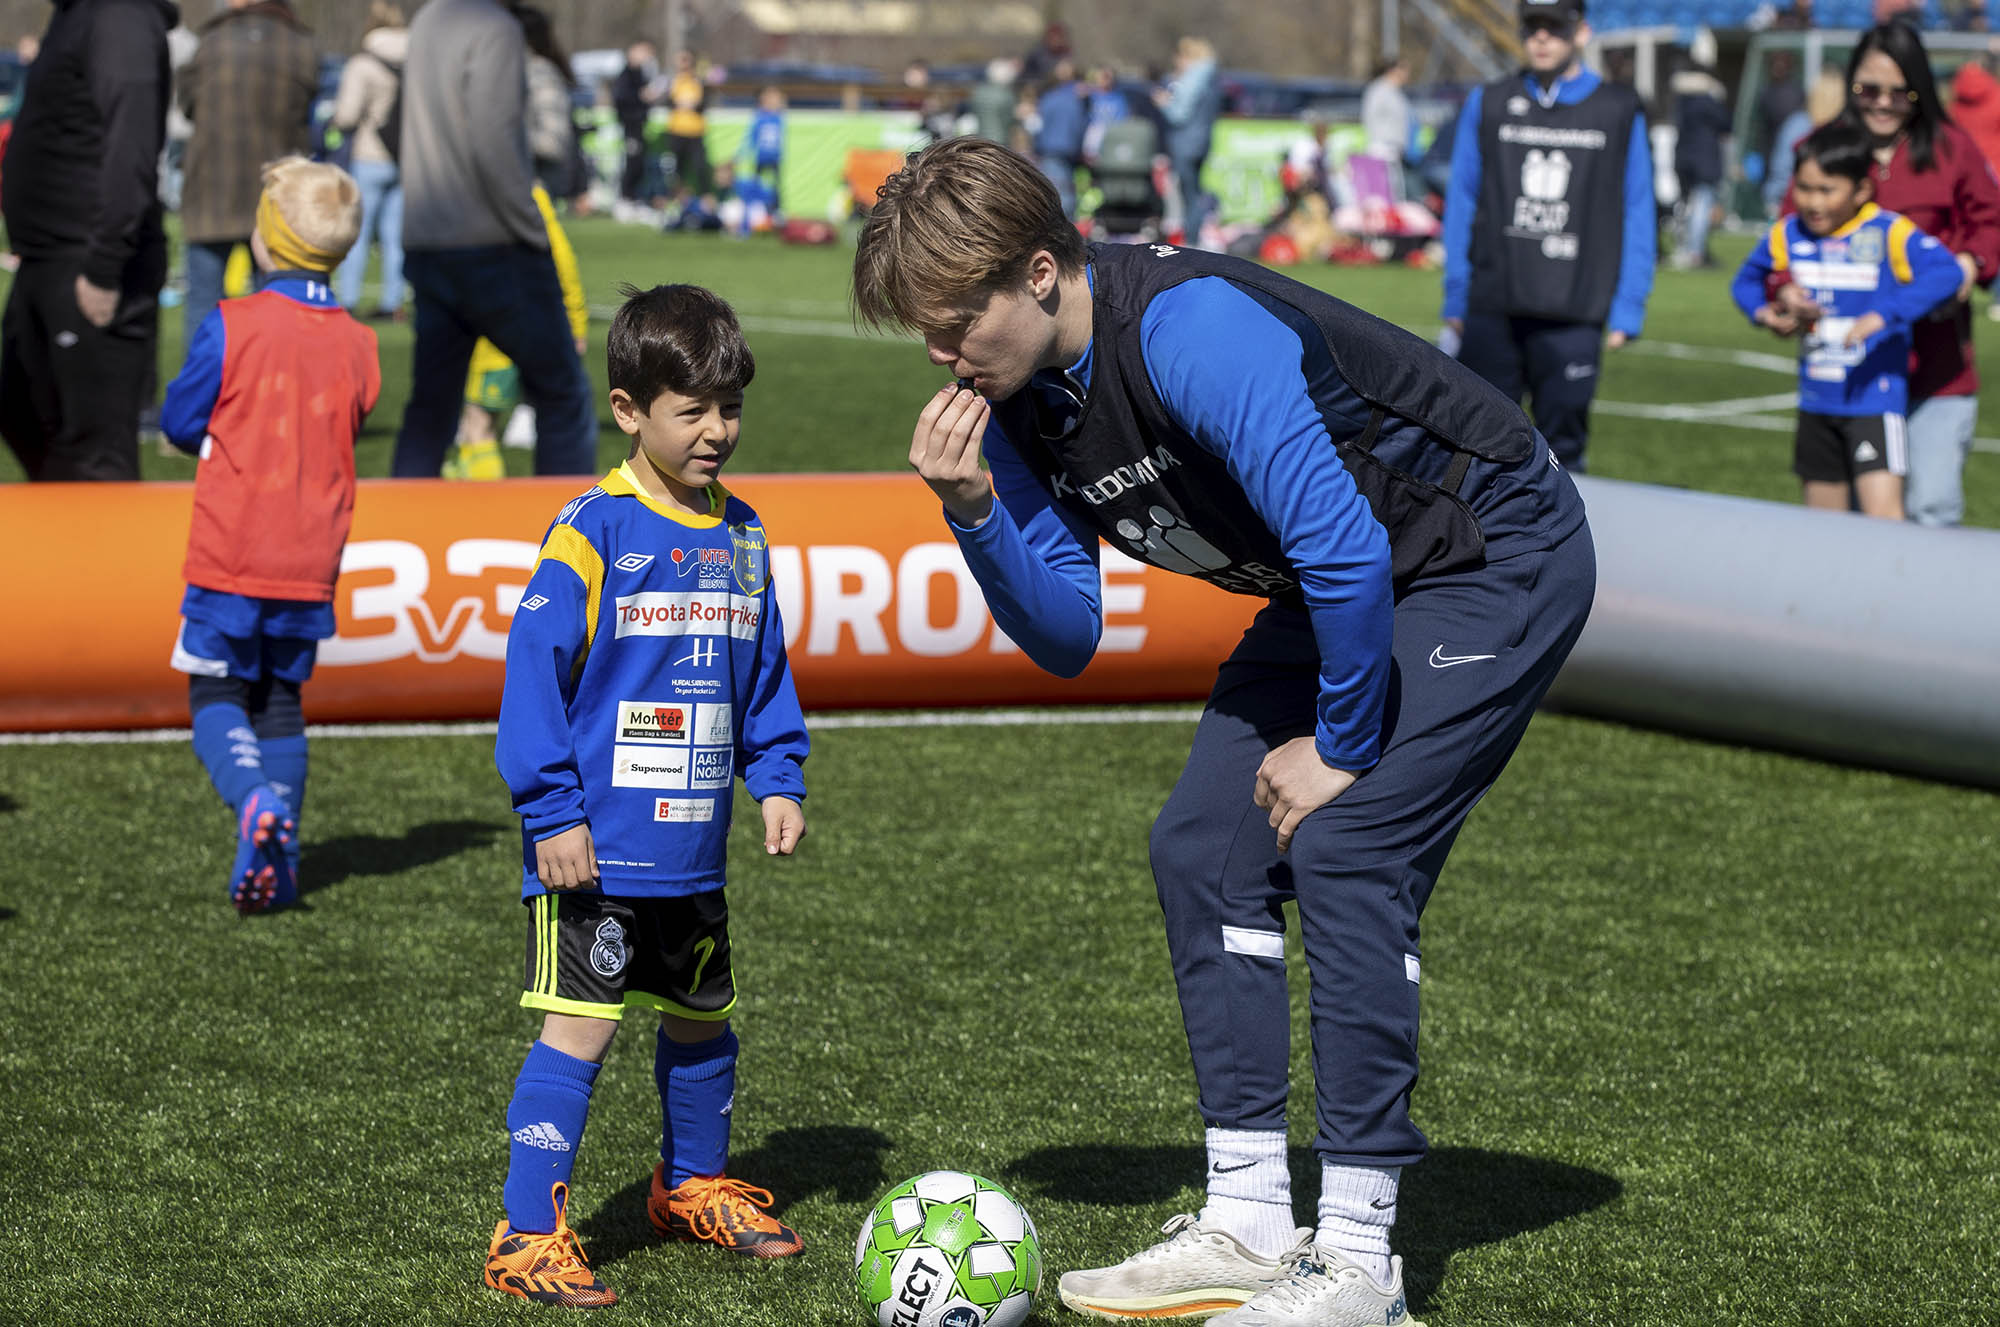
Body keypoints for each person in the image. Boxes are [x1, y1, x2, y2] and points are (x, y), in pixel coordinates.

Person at [853, 136, 1596, 1327]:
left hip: (1485, 552)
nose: (939, 357)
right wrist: (974, 509)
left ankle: (1359, 1264)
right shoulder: (1014, 405)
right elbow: (1064, 634)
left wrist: (1344, 745)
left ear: (1038, 273)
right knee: (1200, 851)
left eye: (952, 322)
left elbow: (1349, 546)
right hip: (1334, 586)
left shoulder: (1189, 328)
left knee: (1343, 845)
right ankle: (1248, 1220)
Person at [483, 283, 809, 1310]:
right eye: (692, 411)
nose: (717, 431)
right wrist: (552, 813)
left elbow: (760, 666)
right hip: (596, 850)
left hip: (691, 852)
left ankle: (692, 1185)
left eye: (729, 408)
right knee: (580, 1029)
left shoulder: (744, 534)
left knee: (702, 1019)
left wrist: (778, 773)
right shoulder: (591, 528)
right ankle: (526, 1233)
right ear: (629, 410)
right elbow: (532, 673)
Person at [159, 157, 378, 913]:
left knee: (215, 690)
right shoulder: (360, 342)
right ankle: (277, 862)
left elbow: (181, 422)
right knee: (281, 697)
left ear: (265, 240)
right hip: (313, 554)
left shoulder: (232, 322)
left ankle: (253, 799)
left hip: (233, 548)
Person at [1773, 22, 2000, 527]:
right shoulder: (1821, 149)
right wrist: (1784, 292)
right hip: (1852, 372)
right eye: (1869, 90)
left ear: (1920, 89)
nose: (1882, 103)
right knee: (1848, 528)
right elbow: (1782, 244)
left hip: (1934, 372)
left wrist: (1969, 264)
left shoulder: (1952, 149)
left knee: (1930, 511)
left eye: (1901, 92)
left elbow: (1991, 222)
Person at [1441, 0, 1655, 472]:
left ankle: (1561, 546)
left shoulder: (1618, 108)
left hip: (1575, 308)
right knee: (1479, 447)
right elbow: (1462, 199)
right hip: (1494, 303)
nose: (1541, 37)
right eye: (1533, 26)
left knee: (1563, 452)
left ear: (1580, 32)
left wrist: (1630, 302)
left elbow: (1639, 207)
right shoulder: (1490, 101)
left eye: (1554, 27)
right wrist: (1456, 293)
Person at [392, 0, 596, 478]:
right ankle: (569, 546)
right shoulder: (494, 27)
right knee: (562, 394)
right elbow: (495, 138)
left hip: (428, 238)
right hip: (493, 242)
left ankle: (402, 531)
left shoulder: (427, 20)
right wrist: (529, 226)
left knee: (431, 408)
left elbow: (401, 124)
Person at [1733, 123, 1962, 521]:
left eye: (1827, 190)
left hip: (1875, 402)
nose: (1812, 202)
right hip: (1816, 402)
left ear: (1861, 190)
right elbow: (1746, 281)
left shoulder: (1888, 231)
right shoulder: (1787, 234)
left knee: (1883, 525)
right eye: (1804, 188)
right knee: (1826, 532)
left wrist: (1884, 315)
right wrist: (1768, 311)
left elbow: (1946, 273)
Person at [0, 0, 174, 482]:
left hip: (90, 265)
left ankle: (106, 553)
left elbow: (130, 143)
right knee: (21, 409)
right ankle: (63, 544)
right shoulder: (76, 15)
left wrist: (104, 265)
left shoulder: (120, 15)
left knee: (96, 454)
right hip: (45, 257)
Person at [176, 0, 317, 348]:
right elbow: (305, 110)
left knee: (203, 308)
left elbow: (187, 102)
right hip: (274, 194)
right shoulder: (299, 44)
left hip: (211, 190)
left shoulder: (211, 41)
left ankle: (202, 397)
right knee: (275, 307)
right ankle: (267, 395)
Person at [447, 182, 588, 480]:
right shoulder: (532, 195)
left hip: (493, 339)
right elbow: (564, 264)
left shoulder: (479, 195)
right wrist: (575, 323)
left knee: (478, 424)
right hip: (533, 328)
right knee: (554, 421)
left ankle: (484, 504)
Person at [329, 2, 407, 320]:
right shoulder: (420, 59)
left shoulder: (364, 63)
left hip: (370, 155)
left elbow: (346, 115)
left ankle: (348, 297)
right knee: (394, 235)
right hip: (405, 155)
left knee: (358, 231)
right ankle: (393, 300)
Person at [1156, 36, 1222, 245]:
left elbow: (1179, 114)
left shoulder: (1193, 78)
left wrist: (1164, 103)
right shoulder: (1211, 77)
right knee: (1195, 194)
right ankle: (1194, 238)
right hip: (1202, 142)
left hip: (1186, 144)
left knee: (1190, 197)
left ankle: (1191, 241)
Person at [1670, 54, 1732, 269]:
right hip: (1704, 161)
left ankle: (1683, 247)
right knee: (1701, 207)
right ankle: (1695, 252)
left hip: (1683, 158)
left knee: (1686, 207)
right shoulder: (1708, 100)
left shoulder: (1681, 101)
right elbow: (1726, 124)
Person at [611, 39, 661, 216]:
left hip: (638, 123)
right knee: (632, 162)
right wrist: (641, 96)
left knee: (638, 162)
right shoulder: (626, 74)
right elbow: (621, 98)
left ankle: (633, 198)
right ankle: (625, 199)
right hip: (630, 124)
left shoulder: (641, 73)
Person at [1034, 61, 1087, 219]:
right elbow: (1081, 125)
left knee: (1058, 193)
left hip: (1050, 148)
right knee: (1069, 194)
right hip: (1070, 149)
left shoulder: (1048, 98)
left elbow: (1039, 126)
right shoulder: (1078, 99)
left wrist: (1037, 146)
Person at [664, 49, 710, 207]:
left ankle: (705, 198)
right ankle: (677, 199)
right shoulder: (673, 81)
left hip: (695, 131)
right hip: (677, 130)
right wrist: (678, 103)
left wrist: (693, 105)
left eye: (685, 60)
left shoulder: (698, 81)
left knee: (700, 166)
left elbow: (705, 104)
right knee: (678, 169)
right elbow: (667, 102)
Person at [1361, 57, 1412, 196]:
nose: (1407, 74)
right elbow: (1369, 117)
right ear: (1393, 70)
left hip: (1395, 149)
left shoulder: (1397, 93)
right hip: (1382, 147)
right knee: (1382, 192)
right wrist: (1378, 142)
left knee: (1396, 191)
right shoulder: (1378, 90)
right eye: (1403, 70)